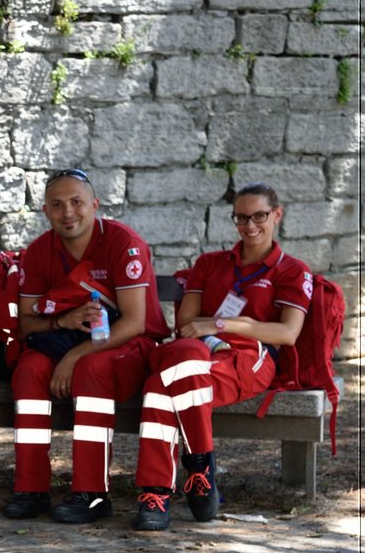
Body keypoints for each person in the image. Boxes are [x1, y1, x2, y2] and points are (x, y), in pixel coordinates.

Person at [131, 184, 310, 530]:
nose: (250, 225)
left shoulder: (291, 270)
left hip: (251, 355)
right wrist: (212, 333)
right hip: (201, 352)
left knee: (159, 383)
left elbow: (287, 334)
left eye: (259, 215)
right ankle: (200, 469)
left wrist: (230, 323)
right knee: (178, 367)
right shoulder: (210, 263)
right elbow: (186, 324)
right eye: (241, 218)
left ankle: (156, 494)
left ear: (277, 214)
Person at [4, 169, 169, 523]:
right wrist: (61, 322)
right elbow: (27, 323)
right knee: (30, 370)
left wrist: (75, 356)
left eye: (77, 202)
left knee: (92, 369)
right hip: (64, 341)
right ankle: (31, 488)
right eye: (57, 205)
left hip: (129, 344)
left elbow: (135, 322)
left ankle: (91, 493)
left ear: (94, 205)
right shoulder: (38, 252)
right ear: (45, 211)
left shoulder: (123, 243)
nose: (68, 213)